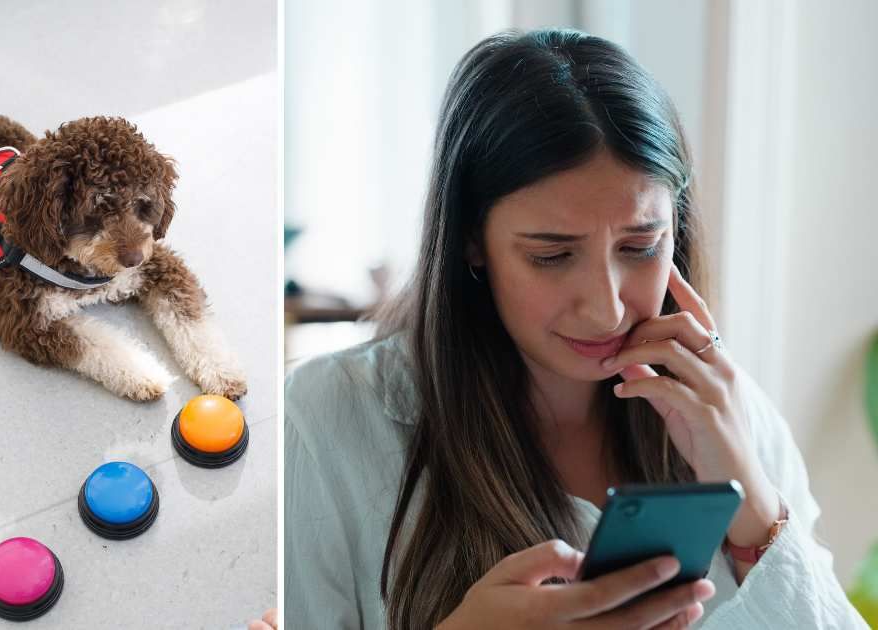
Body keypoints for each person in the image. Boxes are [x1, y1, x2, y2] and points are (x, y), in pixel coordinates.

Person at [284, 28, 868, 629]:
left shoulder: (732, 414)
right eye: (552, 255)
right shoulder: (328, 420)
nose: (607, 309)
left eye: (641, 246)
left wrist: (751, 500)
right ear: (471, 242)